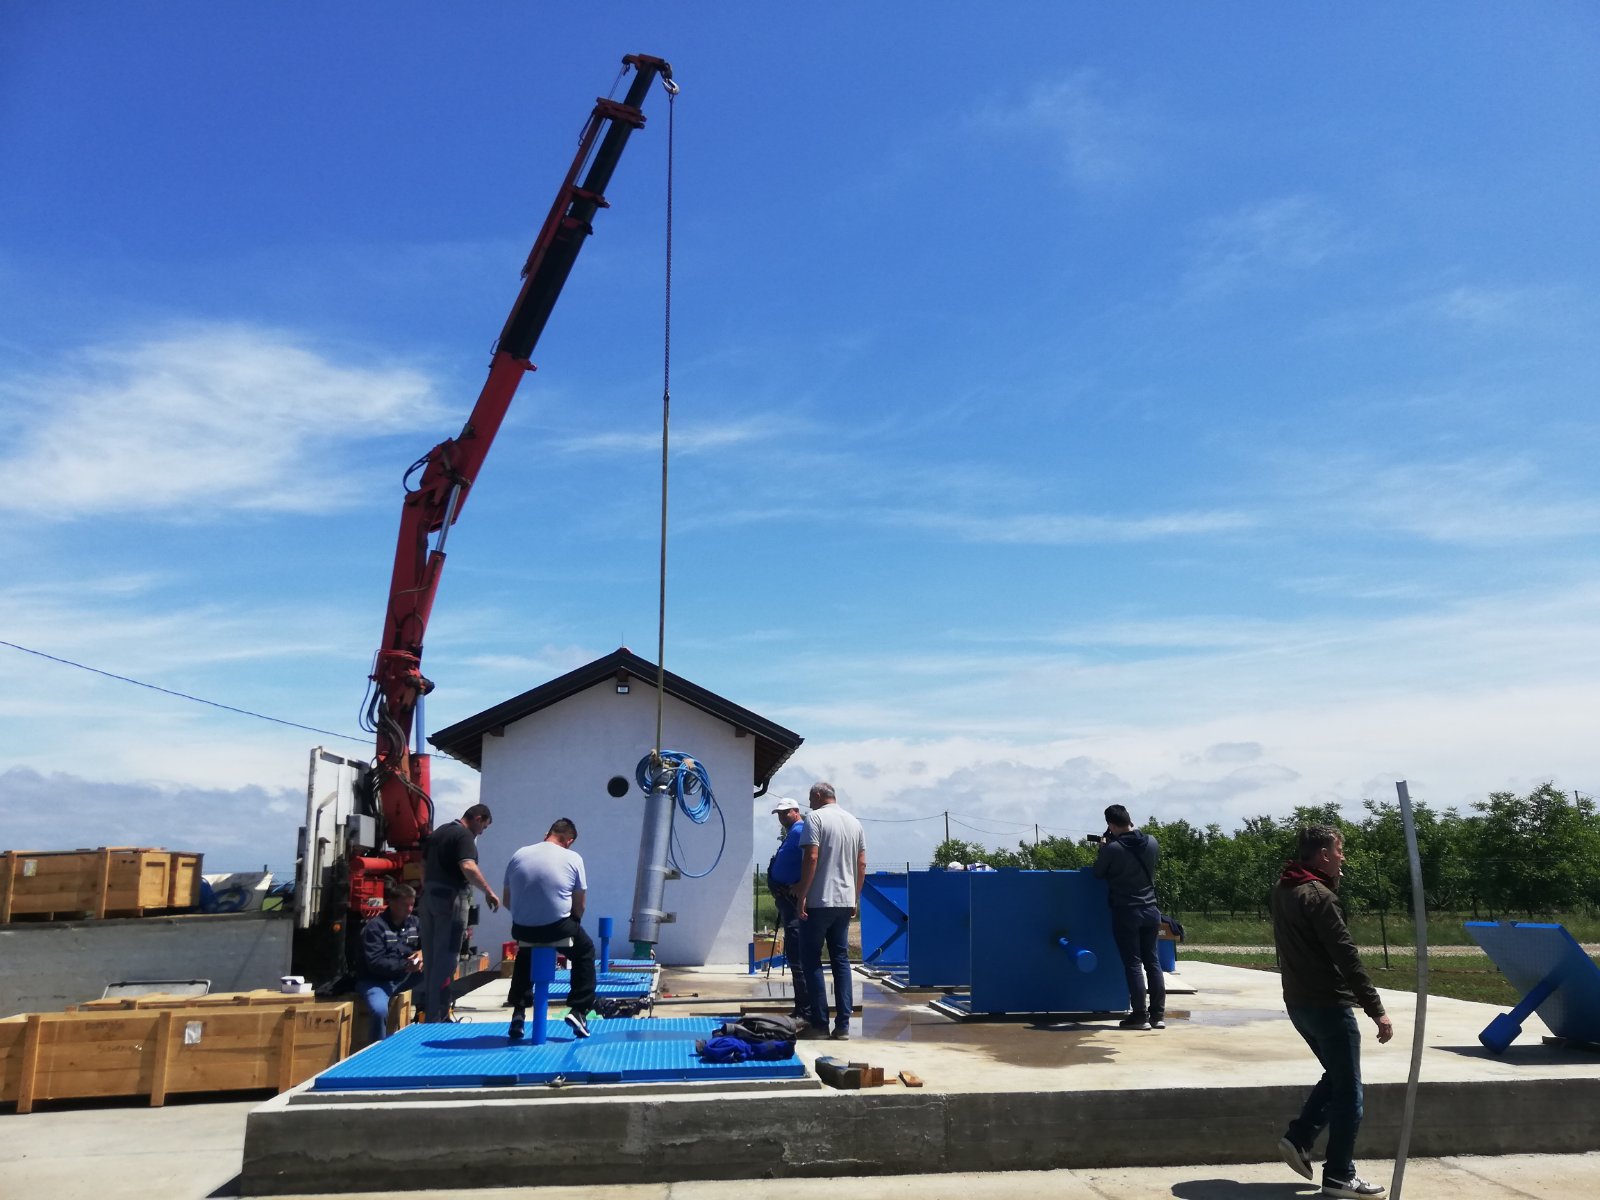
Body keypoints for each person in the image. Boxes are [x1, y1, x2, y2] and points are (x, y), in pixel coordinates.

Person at [1273, 824, 1393, 1198]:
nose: (1343, 858)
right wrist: (1377, 1010)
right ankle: (1340, 1174)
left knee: (1338, 1077)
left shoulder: (1283, 889)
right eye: (1340, 851)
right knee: (1350, 1092)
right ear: (1324, 854)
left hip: (1298, 1004)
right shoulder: (1319, 897)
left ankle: (1300, 1136)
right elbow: (1347, 957)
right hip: (1328, 1005)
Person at [502, 817, 596, 1039]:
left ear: (548, 833)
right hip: (557, 927)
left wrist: (528, 917)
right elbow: (580, 905)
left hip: (522, 927)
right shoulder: (573, 857)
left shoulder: (519, 854)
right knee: (585, 951)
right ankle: (579, 1010)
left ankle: (518, 1012)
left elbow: (508, 900)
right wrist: (571, 921)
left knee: (526, 952)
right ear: (569, 840)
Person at [795, 780, 866, 1040]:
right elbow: (862, 863)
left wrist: (802, 894)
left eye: (810, 798)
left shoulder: (814, 819)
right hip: (844, 901)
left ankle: (820, 1024)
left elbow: (811, 857)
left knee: (812, 960)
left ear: (817, 795)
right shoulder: (853, 822)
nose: (809, 803)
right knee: (841, 960)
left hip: (819, 900)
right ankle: (844, 1025)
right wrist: (855, 898)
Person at [418, 803, 500, 1023]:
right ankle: (438, 1018)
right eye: (484, 826)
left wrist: (429, 890)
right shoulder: (463, 836)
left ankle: (431, 1011)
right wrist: (489, 892)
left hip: (428, 899)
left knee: (432, 958)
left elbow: (423, 866)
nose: (481, 832)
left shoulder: (439, 833)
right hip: (450, 899)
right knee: (446, 959)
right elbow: (468, 867)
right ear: (478, 818)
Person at [1092, 803, 1165, 1031]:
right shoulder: (1152, 842)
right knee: (1153, 962)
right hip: (1151, 910)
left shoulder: (1113, 849)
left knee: (1133, 963)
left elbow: (1098, 873)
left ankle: (1139, 1016)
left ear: (1111, 825)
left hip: (1127, 911)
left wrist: (1104, 848)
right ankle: (1158, 1015)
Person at [352, 882, 422, 1042]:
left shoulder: (414, 923)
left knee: (438, 974)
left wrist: (422, 953)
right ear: (391, 903)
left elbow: (429, 944)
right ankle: (377, 1050)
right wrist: (406, 965)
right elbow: (375, 962)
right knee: (379, 1011)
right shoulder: (374, 928)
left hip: (403, 978)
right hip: (376, 981)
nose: (410, 909)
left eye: (412, 905)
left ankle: (431, 1024)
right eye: (405, 905)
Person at [764, 798, 811, 1020]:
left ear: (796, 811)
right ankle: (802, 1006)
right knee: (794, 954)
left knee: (797, 955)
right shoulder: (792, 832)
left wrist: (802, 886)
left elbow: (812, 858)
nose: (782, 817)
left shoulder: (801, 829)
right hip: (785, 899)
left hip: (793, 902)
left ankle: (805, 1009)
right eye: (779, 814)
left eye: (785, 813)